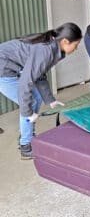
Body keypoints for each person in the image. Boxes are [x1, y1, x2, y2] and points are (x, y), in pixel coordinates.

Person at [0, 23, 82, 159]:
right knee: (30, 102)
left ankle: (27, 132)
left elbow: (39, 74)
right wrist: (28, 113)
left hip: (11, 66)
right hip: (3, 69)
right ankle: (26, 145)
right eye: (76, 44)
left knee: (36, 97)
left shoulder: (54, 47)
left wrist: (51, 100)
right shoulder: (46, 50)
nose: (76, 48)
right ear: (65, 41)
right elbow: (25, 84)